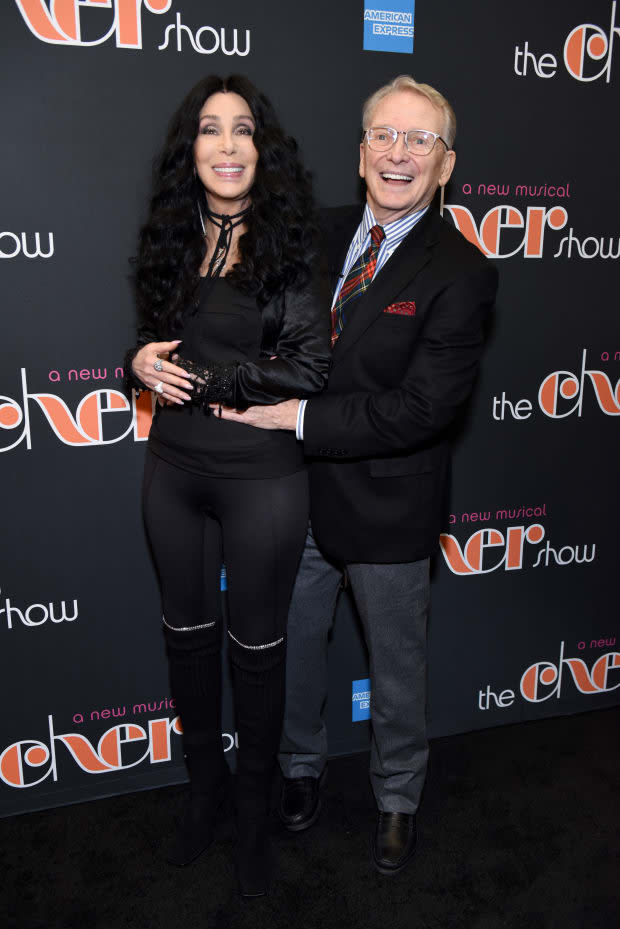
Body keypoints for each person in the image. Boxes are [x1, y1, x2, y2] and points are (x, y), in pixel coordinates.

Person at [212, 75, 498, 875]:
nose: (397, 154)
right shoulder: (316, 235)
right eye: (383, 135)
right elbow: (241, 321)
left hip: (389, 506)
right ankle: (300, 769)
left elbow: (420, 411)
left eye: (419, 141)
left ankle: (398, 797)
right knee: (298, 649)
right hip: (294, 496)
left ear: (446, 165)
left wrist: (294, 419)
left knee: (397, 668)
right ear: (360, 149)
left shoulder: (462, 272)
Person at [125, 74, 330, 897]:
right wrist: (133, 362)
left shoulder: (290, 241)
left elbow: (310, 365)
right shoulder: (171, 236)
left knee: (256, 650)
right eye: (211, 130)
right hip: (172, 471)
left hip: (262, 481)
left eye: (243, 130)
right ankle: (203, 792)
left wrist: (211, 381)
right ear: (193, 150)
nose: (228, 145)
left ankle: (253, 816)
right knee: (187, 641)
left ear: (262, 148)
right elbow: (149, 345)